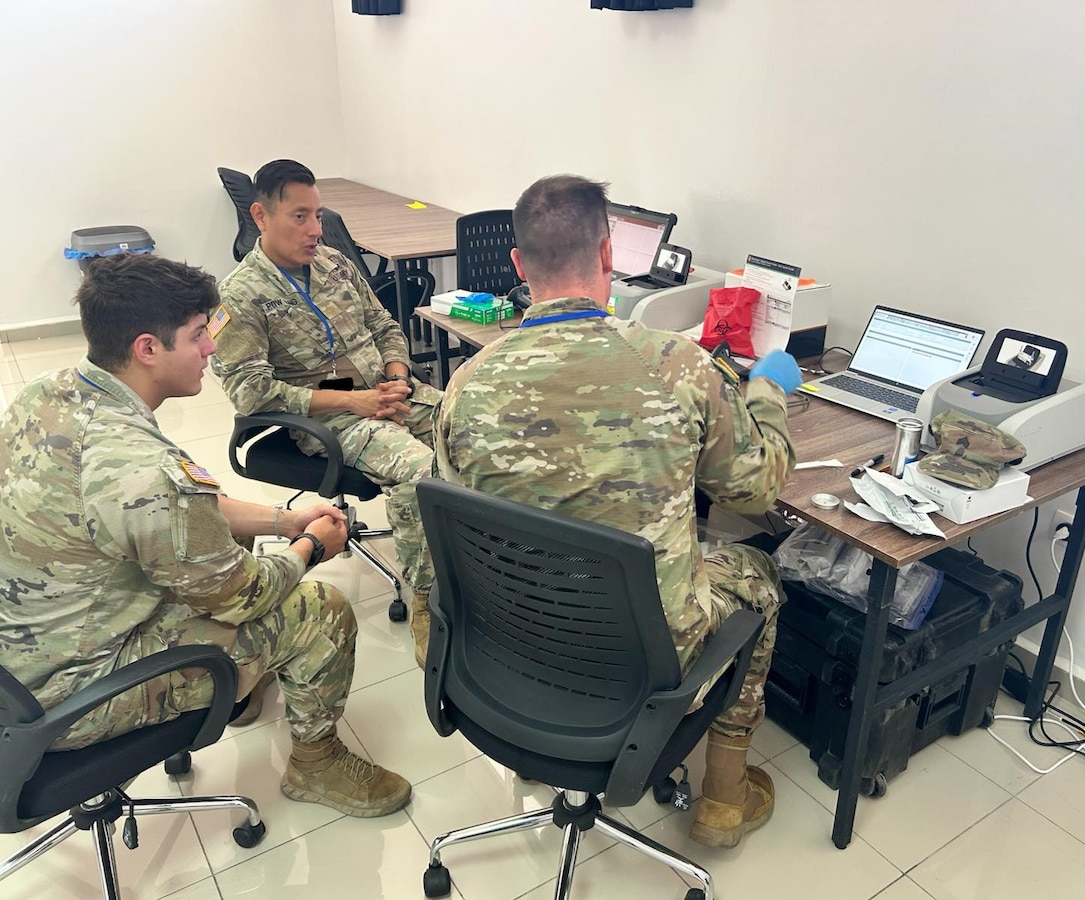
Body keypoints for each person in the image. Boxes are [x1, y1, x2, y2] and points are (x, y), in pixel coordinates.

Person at [433, 174, 800, 848]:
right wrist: (769, 394)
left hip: (512, 642)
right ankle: (725, 797)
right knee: (756, 573)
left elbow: (465, 524)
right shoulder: (679, 366)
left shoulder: (465, 383)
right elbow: (755, 492)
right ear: (608, 255)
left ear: (518, 264)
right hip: (647, 657)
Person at [0, 253, 411, 818]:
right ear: (148, 348)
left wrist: (282, 520)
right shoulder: (145, 471)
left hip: (19, 661)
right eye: (198, 335)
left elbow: (181, 510)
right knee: (320, 610)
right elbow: (248, 595)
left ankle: (245, 683)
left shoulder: (48, 394)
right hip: (69, 699)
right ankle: (315, 765)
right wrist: (314, 545)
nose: (212, 348)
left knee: (228, 543)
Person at [210, 159, 440, 668]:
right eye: (300, 216)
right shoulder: (241, 295)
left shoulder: (334, 263)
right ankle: (426, 599)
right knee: (421, 472)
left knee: (472, 430)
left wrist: (397, 375)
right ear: (261, 216)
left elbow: (384, 325)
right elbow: (250, 392)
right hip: (331, 418)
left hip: (387, 392)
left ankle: (480, 560)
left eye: (317, 215)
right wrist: (354, 402)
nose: (315, 229)